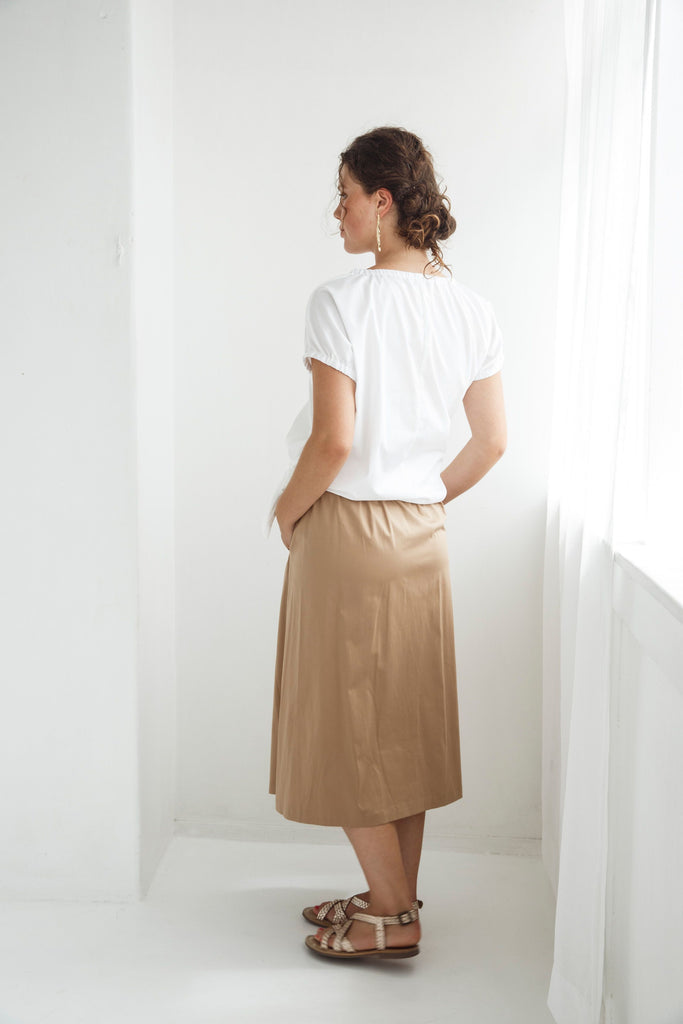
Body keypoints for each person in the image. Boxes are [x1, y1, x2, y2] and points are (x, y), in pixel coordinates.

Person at [264, 126, 507, 960]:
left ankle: (391, 919)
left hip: (349, 532)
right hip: (421, 534)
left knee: (345, 725)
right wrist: (423, 494)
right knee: (400, 724)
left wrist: (286, 513)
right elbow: (491, 443)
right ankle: (387, 898)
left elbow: (333, 442)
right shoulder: (471, 308)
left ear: (382, 201)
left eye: (343, 193)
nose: (334, 212)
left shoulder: (340, 301)